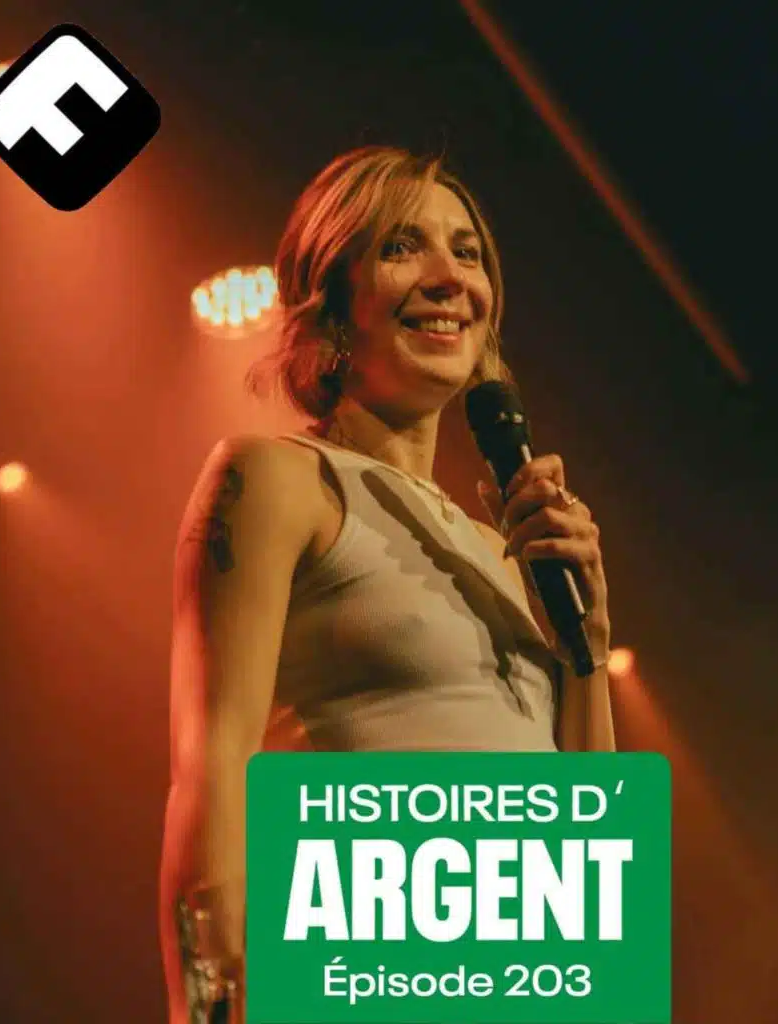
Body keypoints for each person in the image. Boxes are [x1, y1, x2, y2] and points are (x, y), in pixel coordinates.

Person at [158, 145, 616, 1021]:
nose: (450, 278)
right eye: (404, 246)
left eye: (468, 253)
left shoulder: (504, 549)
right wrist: (209, 1005)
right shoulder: (278, 477)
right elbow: (214, 764)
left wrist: (587, 647)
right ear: (332, 303)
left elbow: (580, 833)